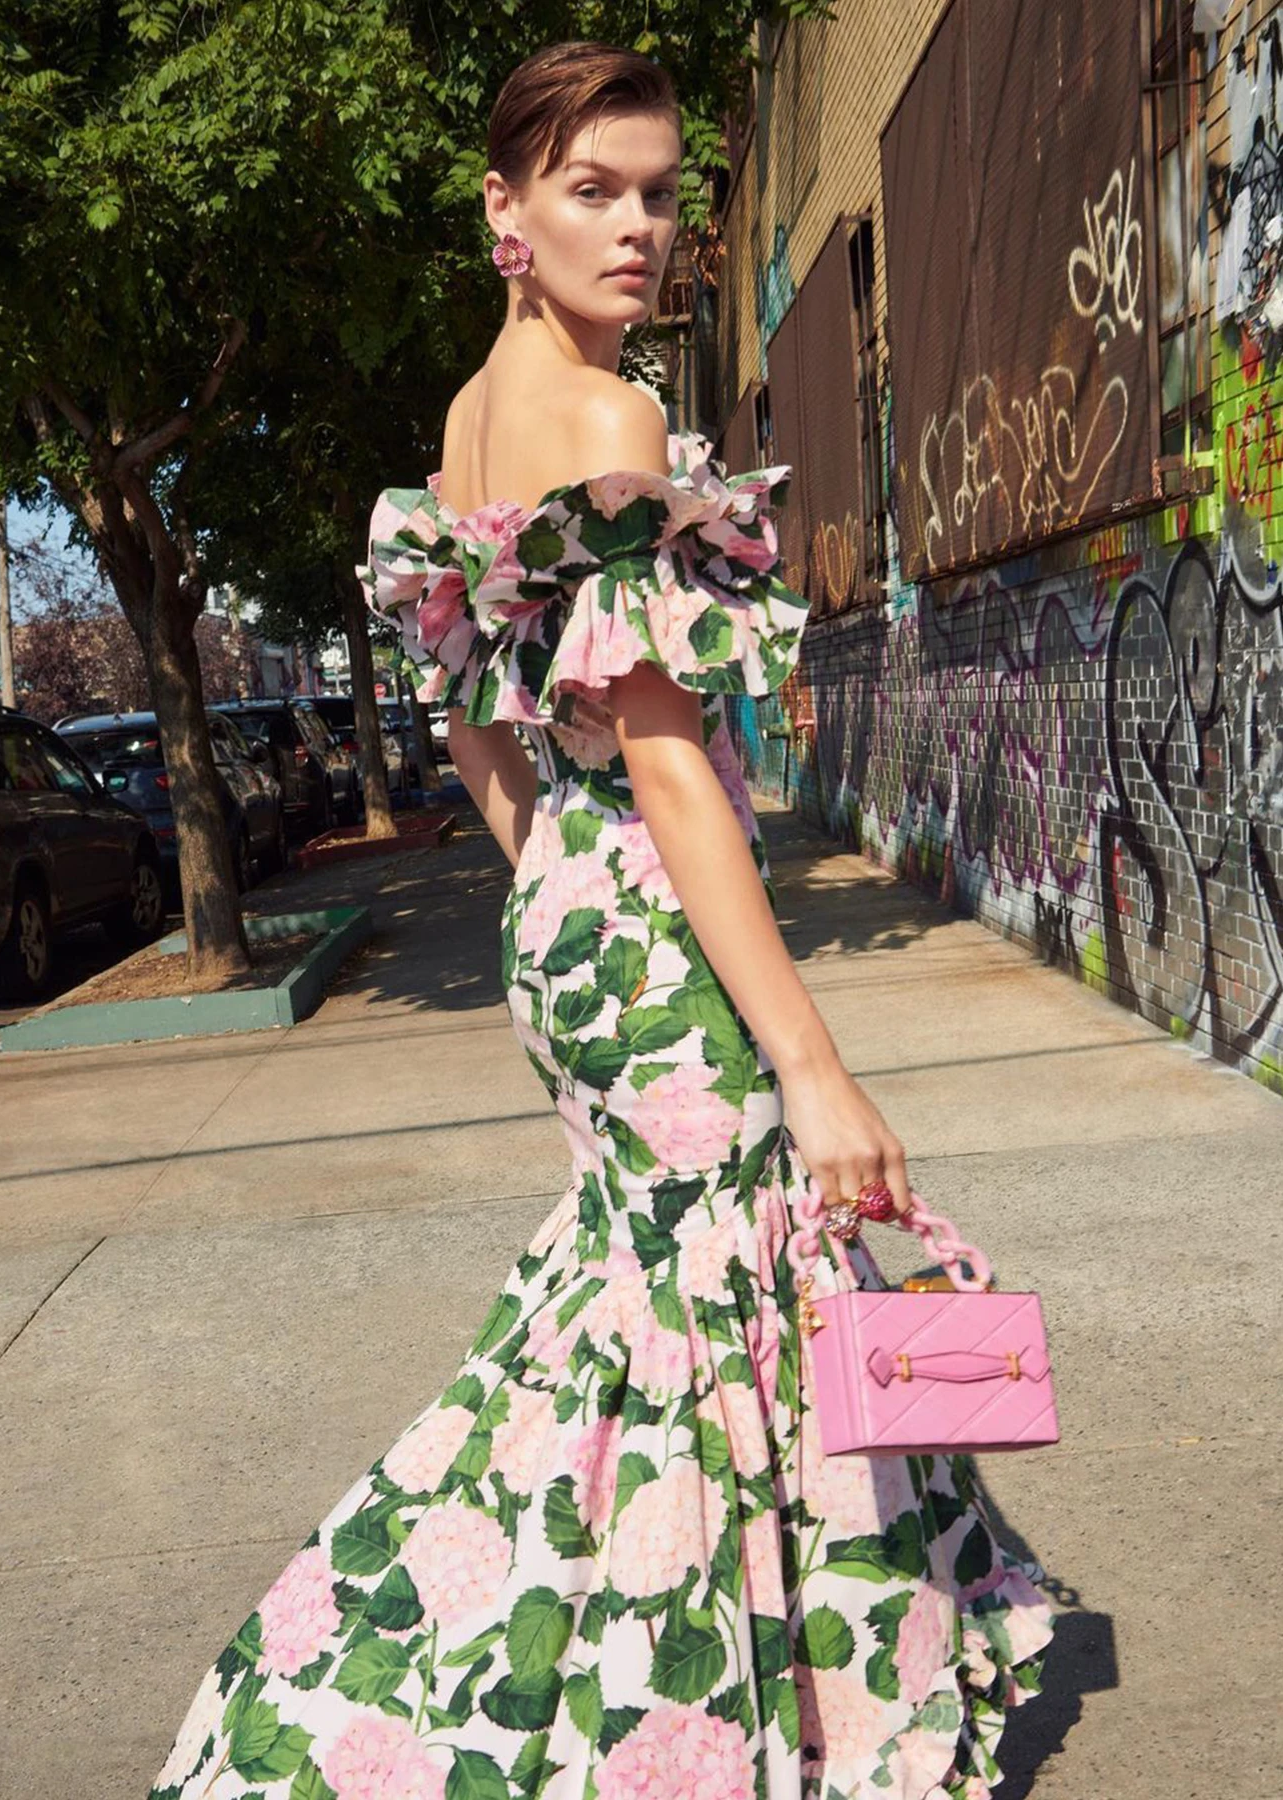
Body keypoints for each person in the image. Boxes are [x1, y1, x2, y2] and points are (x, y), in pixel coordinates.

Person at [149, 42, 1051, 1800]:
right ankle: (628, 1714)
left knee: (662, 1307)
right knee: (708, 1316)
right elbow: (673, 769)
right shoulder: (608, 420)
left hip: (560, 924)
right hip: (643, 928)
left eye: (656, 196)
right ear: (506, 213)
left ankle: (717, 1677)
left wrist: (548, 873)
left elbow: (477, 723)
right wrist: (815, 1062)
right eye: (592, 191)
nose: (638, 230)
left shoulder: (470, 425)